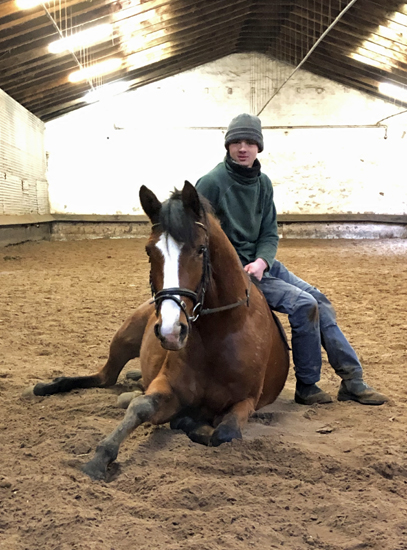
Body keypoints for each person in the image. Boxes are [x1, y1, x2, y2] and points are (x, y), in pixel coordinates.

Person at [195, 113, 387, 406]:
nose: (243, 148)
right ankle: (307, 386)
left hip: (261, 266)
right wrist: (240, 267)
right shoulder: (211, 183)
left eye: (249, 142)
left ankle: (352, 380)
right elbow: (198, 234)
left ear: (259, 147)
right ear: (228, 146)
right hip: (235, 272)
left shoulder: (264, 184)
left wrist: (262, 261)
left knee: (320, 300)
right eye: (236, 142)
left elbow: (270, 233)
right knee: (304, 305)